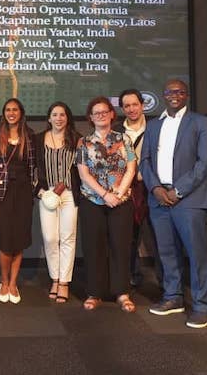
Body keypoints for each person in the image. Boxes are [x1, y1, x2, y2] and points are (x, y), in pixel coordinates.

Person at [140, 79, 207, 329]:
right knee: (167, 253)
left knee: (197, 254)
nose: (175, 95)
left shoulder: (201, 123)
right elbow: (145, 161)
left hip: (189, 199)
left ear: (186, 96)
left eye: (180, 92)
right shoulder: (153, 126)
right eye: (171, 92)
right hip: (159, 199)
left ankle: (203, 306)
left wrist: (178, 190)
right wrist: (156, 188)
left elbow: (205, 162)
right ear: (163, 95)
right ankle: (173, 297)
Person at [76, 96, 137, 312]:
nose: (101, 115)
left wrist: (118, 193)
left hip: (121, 200)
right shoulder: (83, 142)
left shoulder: (125, 139)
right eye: (96, 113)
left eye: (105, 111)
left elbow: (131, 167)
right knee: (94, 247)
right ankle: (94, 293)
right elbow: (84, 174)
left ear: (112, 114)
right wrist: (105, 194)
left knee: (121, 247)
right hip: (93, 200)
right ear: (90, 118)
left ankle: (122, 293)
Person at [34, 101, 81, 304]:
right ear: (49, 118)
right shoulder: (38, 140)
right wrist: (41, 192)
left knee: (68, 237)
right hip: (48, 194)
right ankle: (54, 276)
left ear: (67, 118)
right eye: (55, 114)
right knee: (50, 238)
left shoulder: (77, 140)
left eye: (62, 114)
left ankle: (63, 282)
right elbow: (31, 169)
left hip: (69, 194)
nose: (59, 118)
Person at [114, 88, 162, 289]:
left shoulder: (157, 127)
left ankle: (165, 281)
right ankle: (130, 277)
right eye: (127, 106)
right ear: (122, 108)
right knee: (129, 237)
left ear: (142, 105)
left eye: (135, 104)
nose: (132, 109)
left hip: (153, 188)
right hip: (127, 190)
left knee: (160, 236)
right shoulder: (116, 130)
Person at [0, 98, 37, 304]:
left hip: (24, 193)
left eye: (15, 110)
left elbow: (33, 166)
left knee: (19, 240)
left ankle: (13, 283)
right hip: (3, 193)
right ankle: (3, 281)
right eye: (8, 110)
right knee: (6, 240)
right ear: (4, 113)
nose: (11, 113)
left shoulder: (30, 136)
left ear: (21, 113)